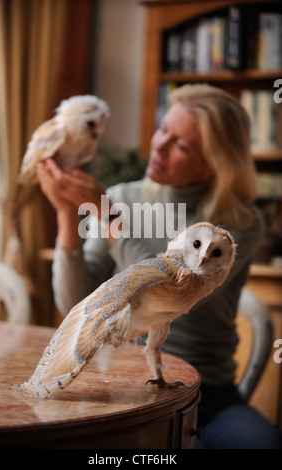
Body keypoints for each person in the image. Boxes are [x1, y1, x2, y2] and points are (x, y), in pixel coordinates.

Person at [36, 83, 282, 449]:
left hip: (205, 393)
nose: (158, 145)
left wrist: (109, 220)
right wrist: (64, 214)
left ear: (214, 162)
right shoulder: (121, 198)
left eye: (180, 145)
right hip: (117, 381)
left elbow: (172, 292)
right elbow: (74, 298)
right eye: (163, 128)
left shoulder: (237, 222)